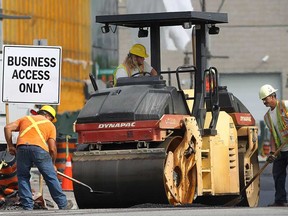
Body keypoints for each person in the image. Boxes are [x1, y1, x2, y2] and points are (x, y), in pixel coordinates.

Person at [4, 105, 73, 210]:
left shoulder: (25, 118)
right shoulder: (50, 125)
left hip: (22, 148)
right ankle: (63, 204)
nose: (51, 120)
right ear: (48, 116)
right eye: (51, 119)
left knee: (23, 177)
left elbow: (7, 127)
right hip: (39, 149)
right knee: (50, 177)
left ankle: (27, 206)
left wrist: (10, 146)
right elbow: (52, 148)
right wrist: (53, 164)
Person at [259, 84, 288, 207]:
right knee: (278, 174)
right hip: (281, 149)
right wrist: (272, 152)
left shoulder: (285, 105)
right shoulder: (266, 117)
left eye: (266, 98)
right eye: (263, 100)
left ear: (273, 96)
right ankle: (280, 200)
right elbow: (273, 135)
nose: (264, 102)